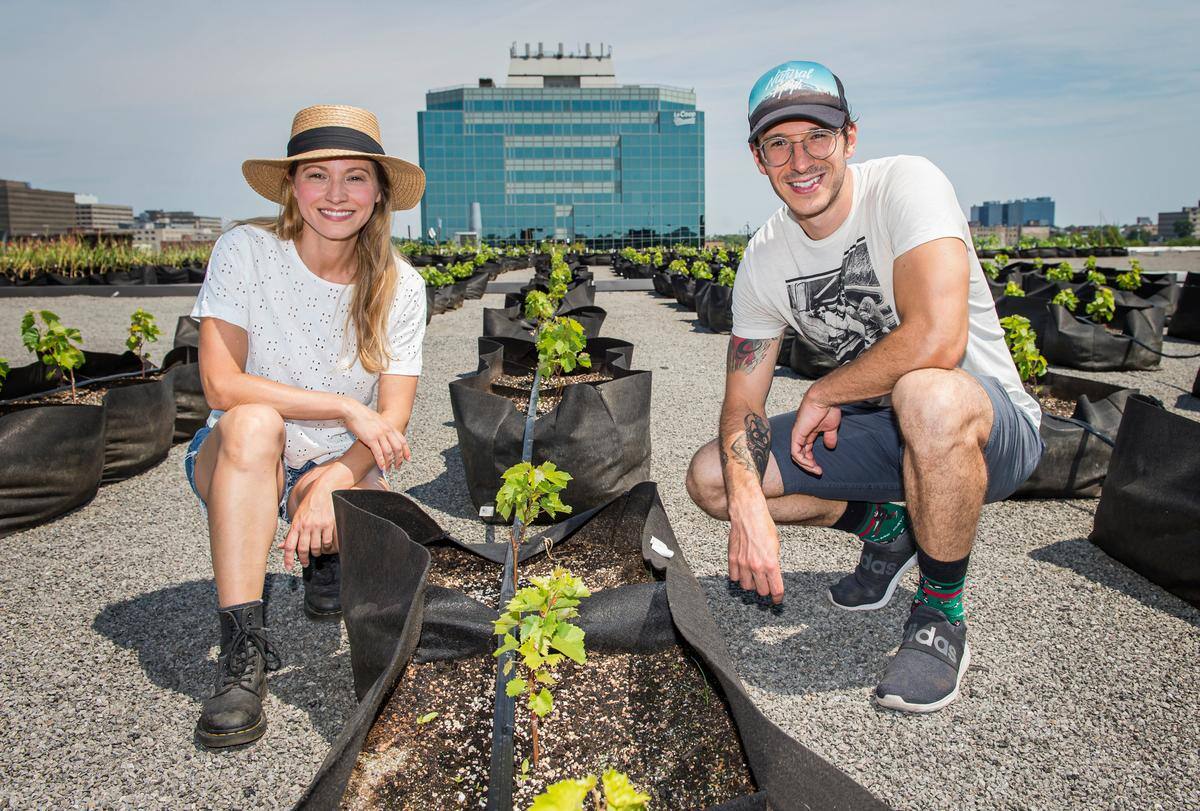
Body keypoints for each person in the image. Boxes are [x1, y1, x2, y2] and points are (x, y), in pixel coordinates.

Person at [685, 62, 1044, 713]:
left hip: (986, 428)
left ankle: (939, 615)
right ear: (758, 157)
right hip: (886, 439)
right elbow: (743, 403)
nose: (800, 160)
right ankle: (889, 524)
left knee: (927, 394)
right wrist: (745, 506)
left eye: (817, 137)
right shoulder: (765, 260)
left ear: (849, 137)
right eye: (778, 144)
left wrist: (826, 393)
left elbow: (938, 339)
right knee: (714, 475)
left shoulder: (908, 185)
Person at [183, 104, 427, 747]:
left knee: (396, 548)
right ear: (293, 186)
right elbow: (220, 385)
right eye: (318, 175)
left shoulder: (401, 285)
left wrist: (330, 478)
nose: (336, 194)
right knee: (254, 421)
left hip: (341, 458)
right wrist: (345, 405)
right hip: (238, 453)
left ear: (379, 192)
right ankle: (242, 652)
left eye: (355, 177)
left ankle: (325, 554)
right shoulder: (247, 251)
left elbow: (393, 421)